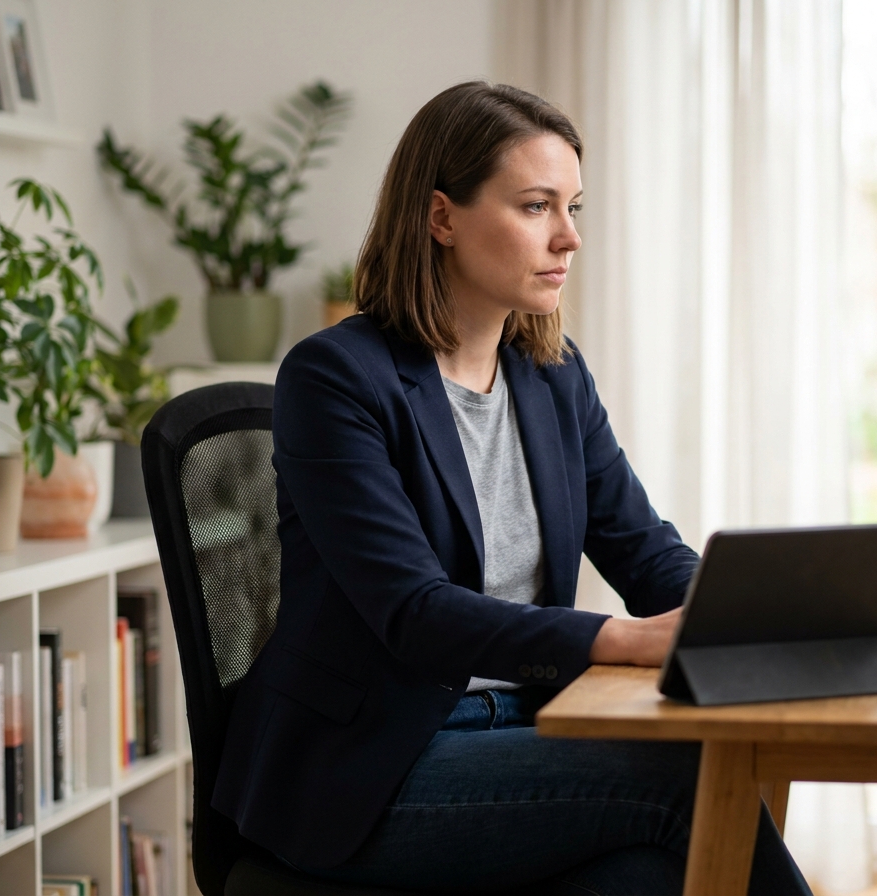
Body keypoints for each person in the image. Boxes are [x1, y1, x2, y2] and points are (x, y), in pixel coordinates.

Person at [213, 80, 812, 896]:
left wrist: (738, 616)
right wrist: (622, 639)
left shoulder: (551, 376)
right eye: (536, 207)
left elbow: (643, 550)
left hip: (529, 729)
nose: (568, 238)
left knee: (649, 877)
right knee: (687, 780)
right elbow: (413, 612)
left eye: (574, 207)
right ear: (441, 217)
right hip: (375, 770)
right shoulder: (335, 378)